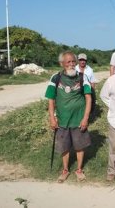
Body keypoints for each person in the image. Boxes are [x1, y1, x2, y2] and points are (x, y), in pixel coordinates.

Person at [45, 51, 92, 183]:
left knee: (79, 145)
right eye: (68, 62)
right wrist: (52, 118)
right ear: (62, 64)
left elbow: (88, 98)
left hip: (78, 119)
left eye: (73, 61)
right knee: (64, 146)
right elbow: (51, 99)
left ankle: (79, 170)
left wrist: (85, 118)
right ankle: (65, 170)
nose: (71, 64)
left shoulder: (83, 77)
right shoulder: (55, 78)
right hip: (62, 120)